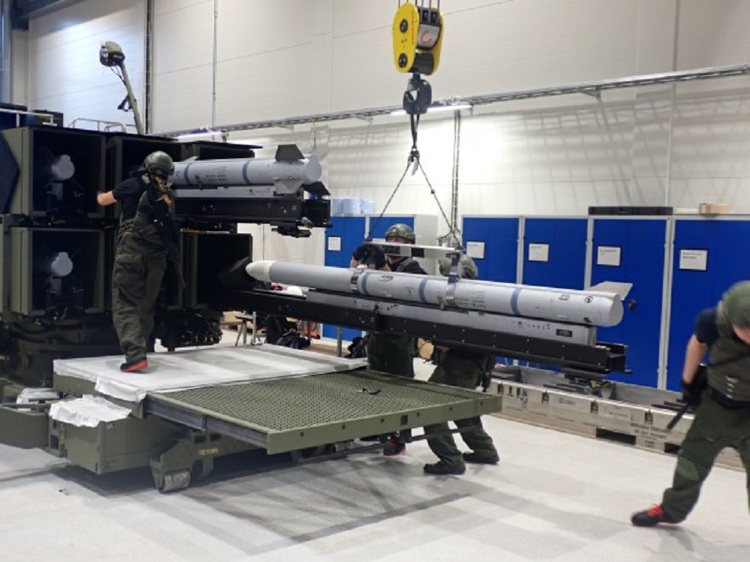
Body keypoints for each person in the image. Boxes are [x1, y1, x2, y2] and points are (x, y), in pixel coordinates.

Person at [631, 280, 750, 526]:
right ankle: (672, 511)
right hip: (715, 407)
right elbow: (697, 344)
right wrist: (689, 382)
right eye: (745, 329)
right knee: (691, 462)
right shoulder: (712, 322)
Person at [97, 151, 179, 373]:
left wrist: (97, 191)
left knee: (125, 304)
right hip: (157, 260)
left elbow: (104, 200)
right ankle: (144, 349)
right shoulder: (169, 195)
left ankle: (135, 356)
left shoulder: (133, 184)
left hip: (131, 255)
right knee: (145, 306)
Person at [350, 223, 427, 454]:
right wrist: (356, 259)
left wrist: (382, 265)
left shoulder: (413, 269)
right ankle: (377, 427)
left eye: (399, 241)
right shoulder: (374, 266)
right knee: (375, 383)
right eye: (390, 240)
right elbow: (352, 278)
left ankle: (399, 437)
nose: (393, 244)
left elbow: (395, 286)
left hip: (399, 337)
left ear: (408, 245)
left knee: (399, 387)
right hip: (377, 333)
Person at [422, 255, 500, 475]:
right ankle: (485, 450)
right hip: (472, 364)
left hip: (461, 363)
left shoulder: (468, 300)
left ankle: (450, 459)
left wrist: (446, 343)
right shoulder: (480, 297)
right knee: (462, 409)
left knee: (430, 409)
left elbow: (468, 334)